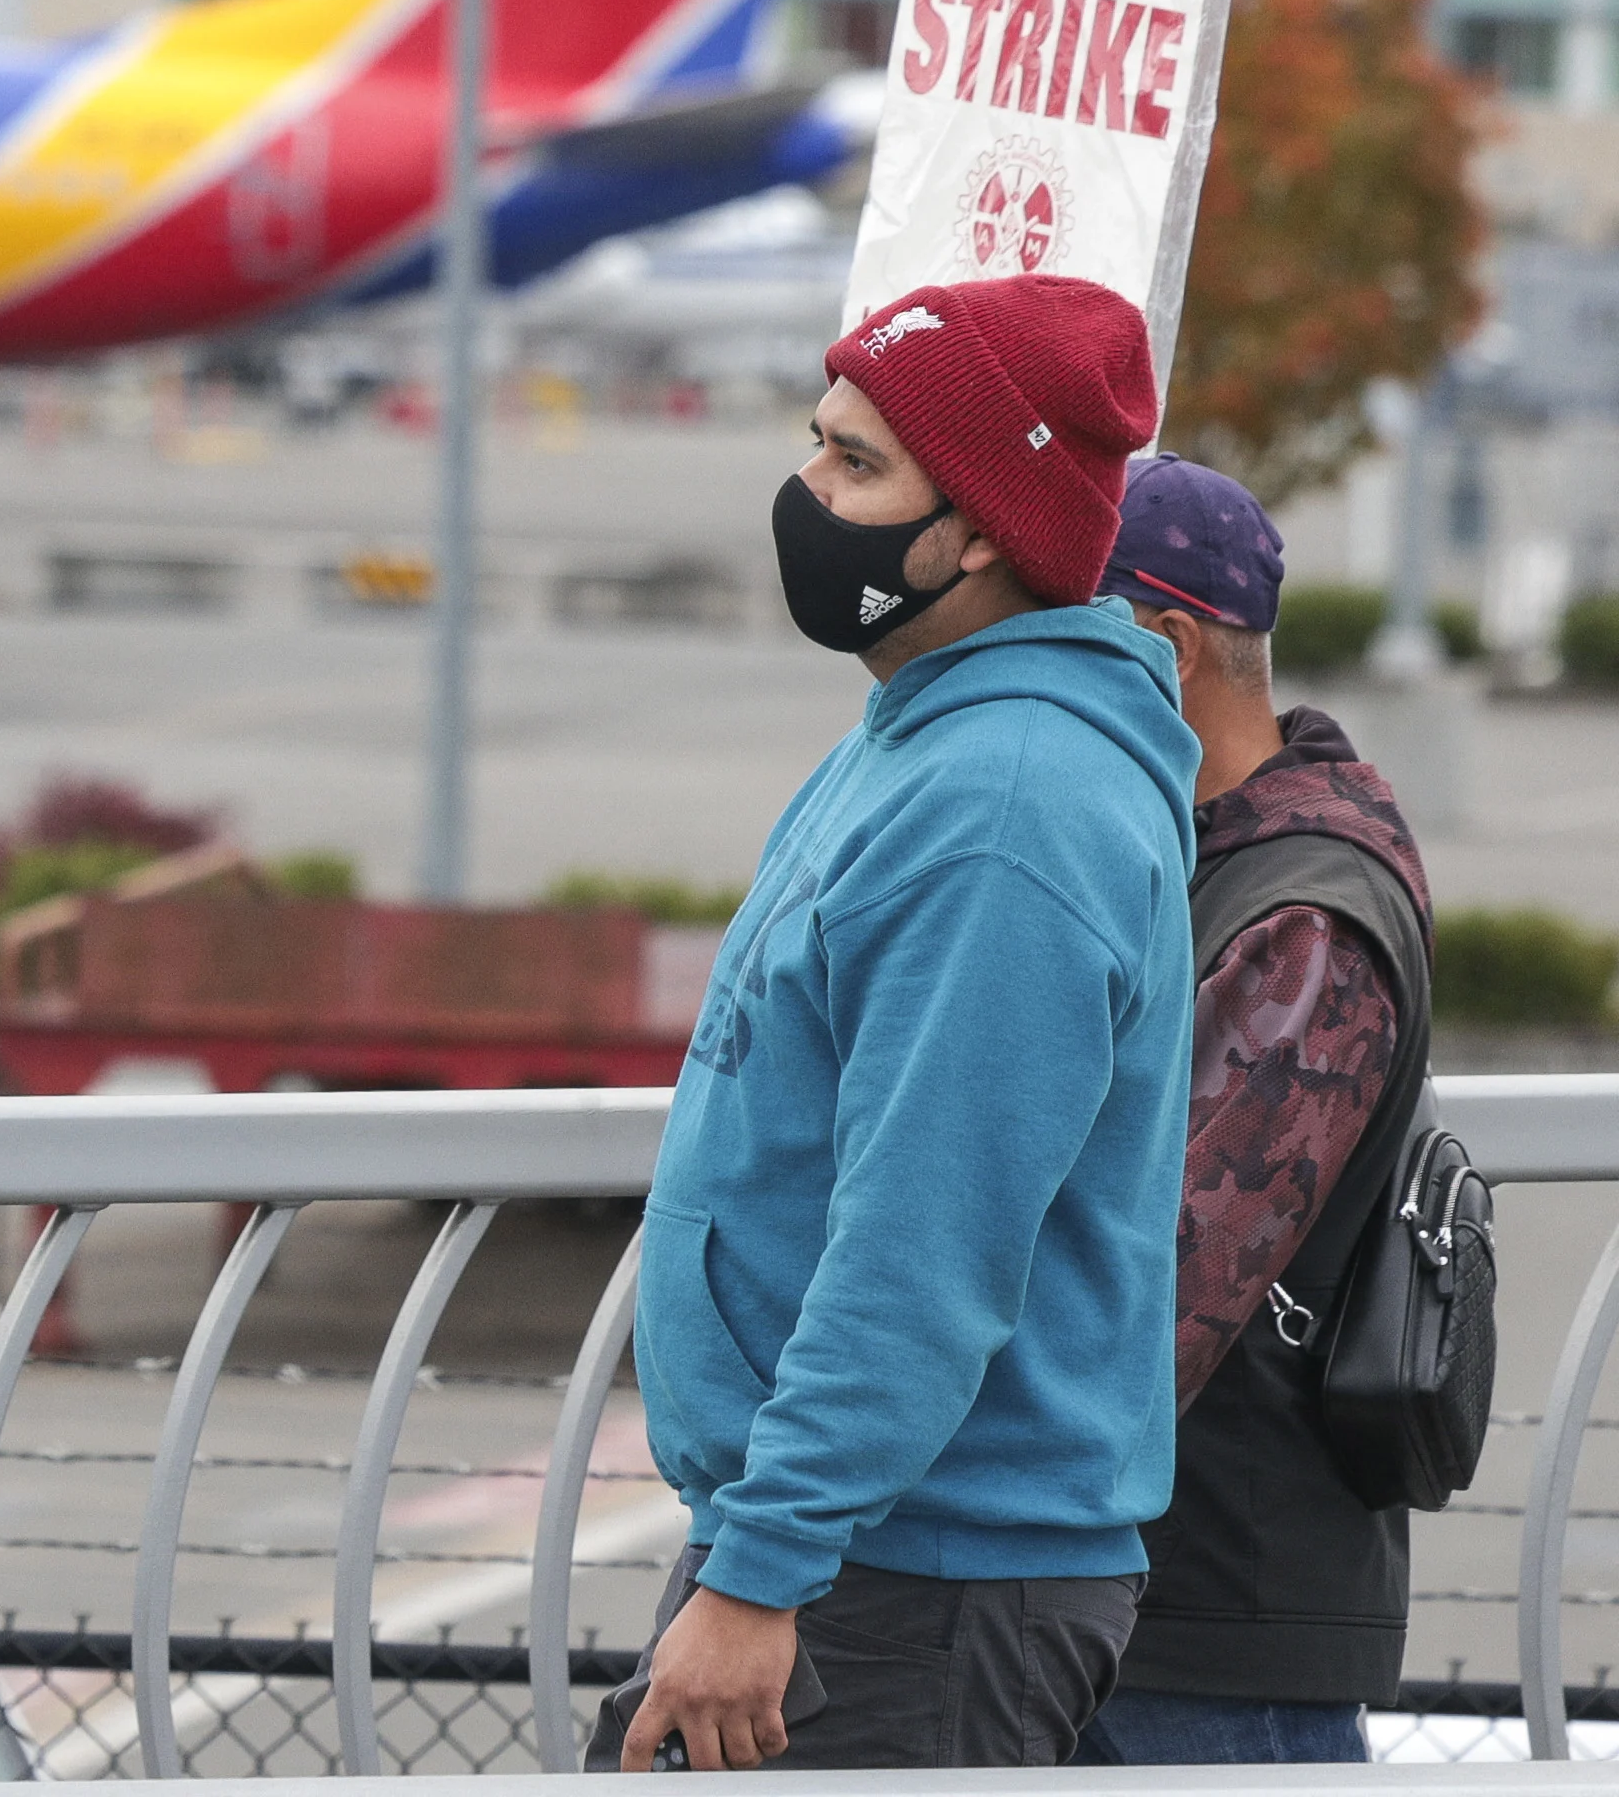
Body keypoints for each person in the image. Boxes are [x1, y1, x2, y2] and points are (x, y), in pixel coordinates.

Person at [594, 275, 1200, 1774]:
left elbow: (924, 1245)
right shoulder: (922, 737)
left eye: (857, 465)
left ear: (986, 528)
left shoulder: (1003, 809)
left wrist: (760, 1573)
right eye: (817, 440)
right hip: (842, 1557)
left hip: (908, 1582)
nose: (804, 493)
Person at [1073, 457, 1435, 1766]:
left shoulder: (1301, 918)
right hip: (1156, 1595)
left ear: (1160, 647)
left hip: (1210, 1627)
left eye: (1054, 630)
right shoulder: (1198, 854)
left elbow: (1166, 1287)